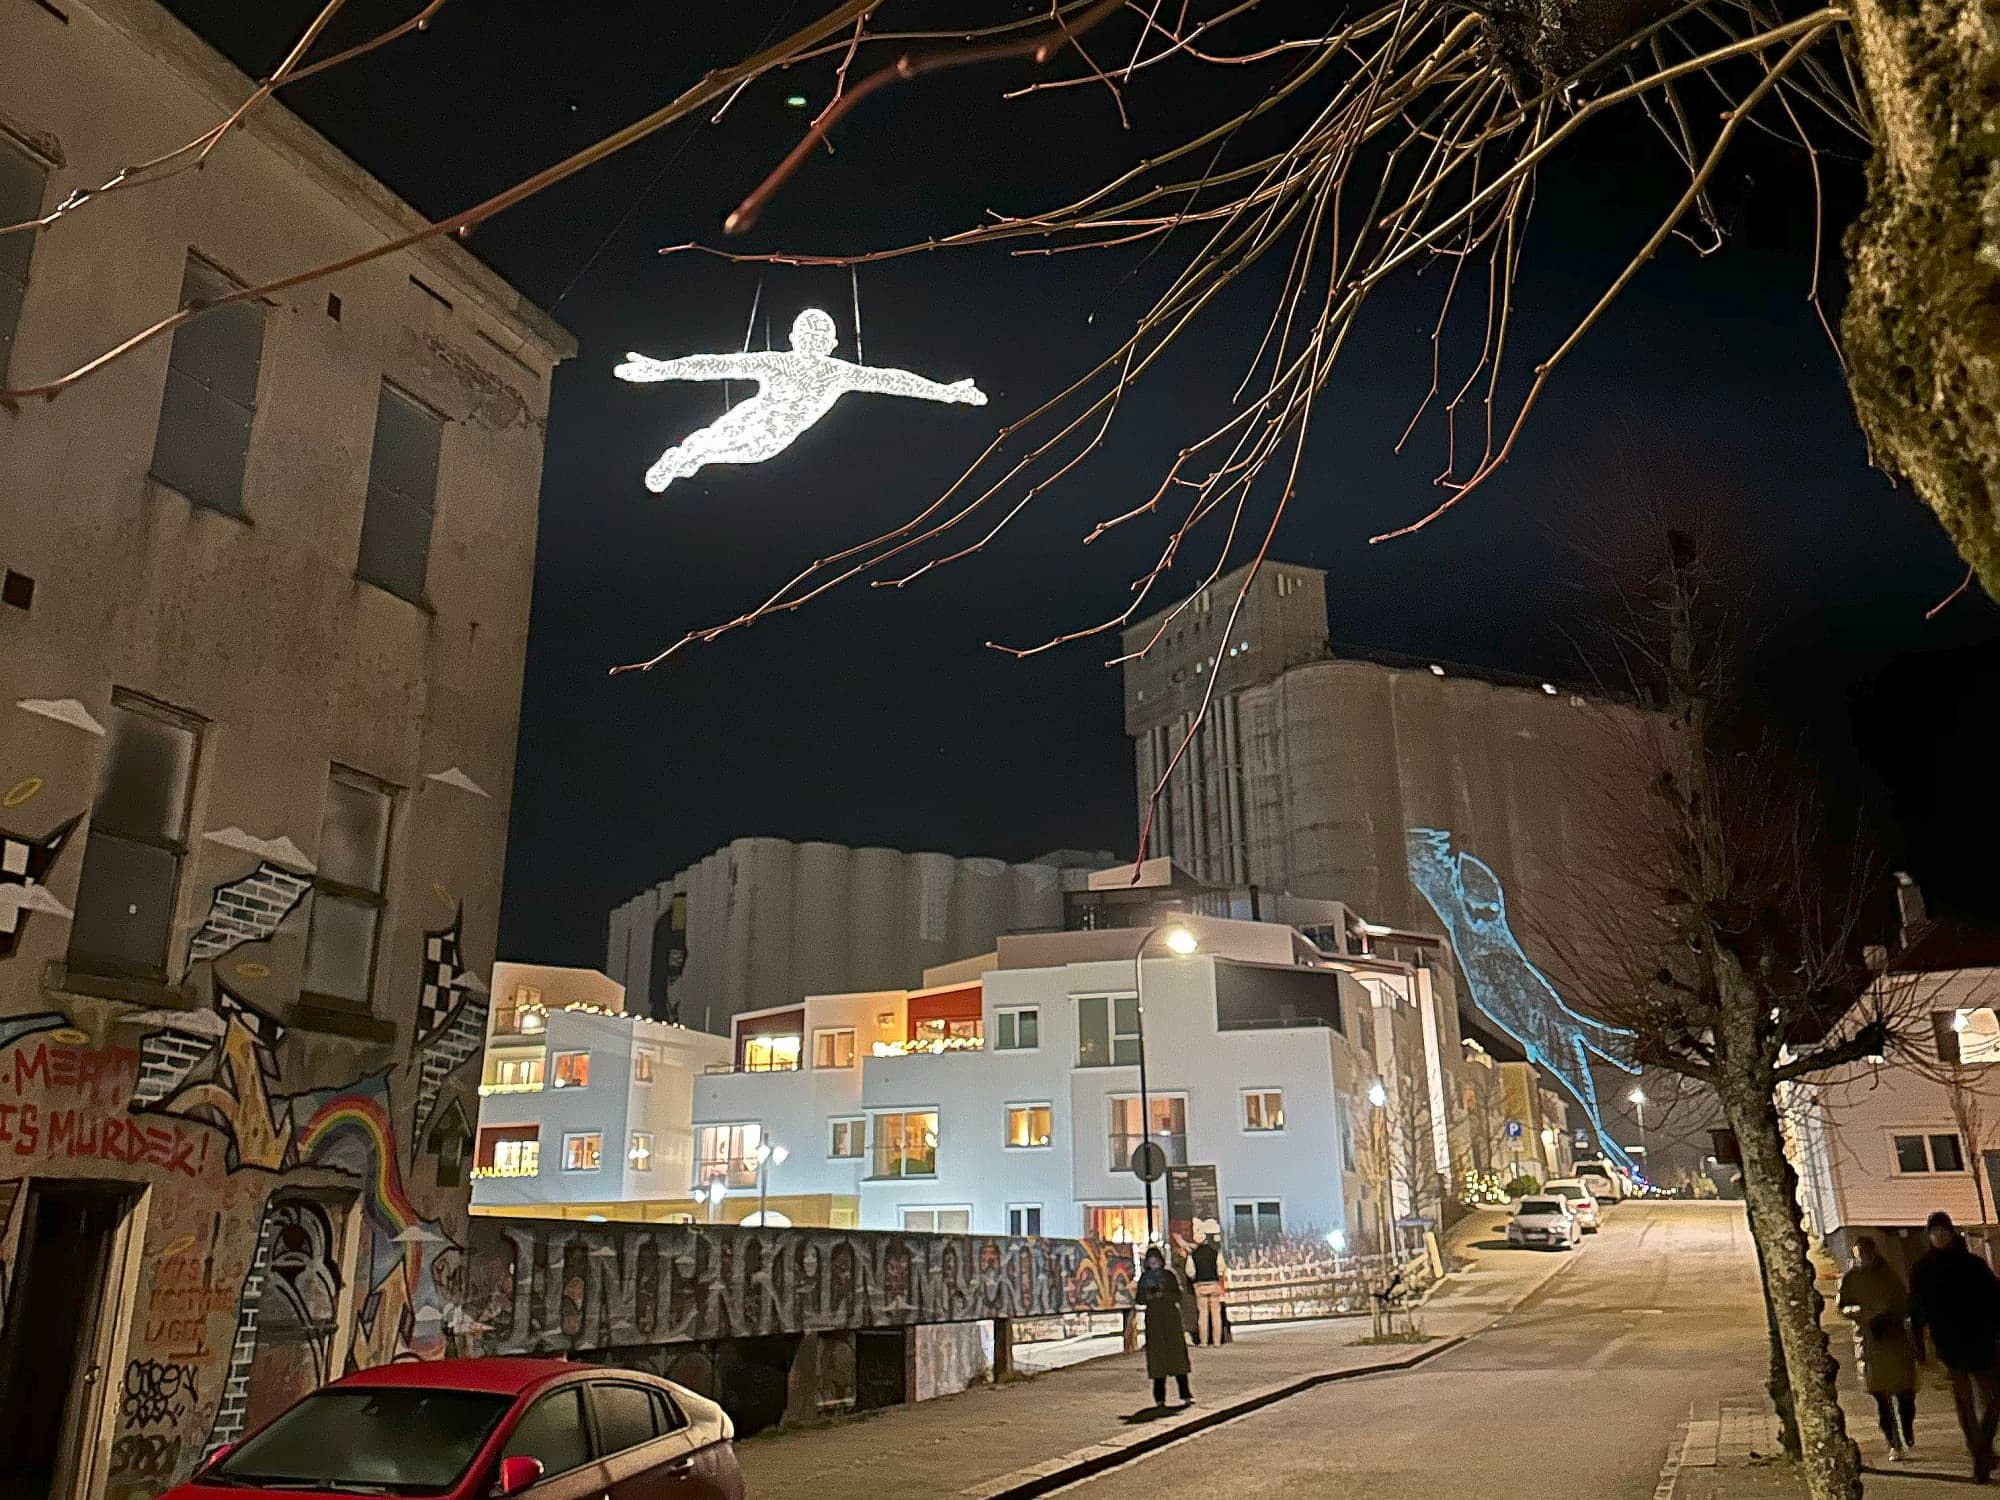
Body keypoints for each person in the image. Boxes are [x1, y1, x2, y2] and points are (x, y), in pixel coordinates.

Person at [614, 309, 986, 491]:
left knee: (730, 445)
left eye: (819, 334)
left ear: (831, 344)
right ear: (793, 338)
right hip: (754, 415)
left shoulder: (838, 372)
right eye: (806, 332)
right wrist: (659, 370)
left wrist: (944, 392)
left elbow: (891, 380)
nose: (812, 339)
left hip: (774, 435)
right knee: (711, 439)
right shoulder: (776, 362)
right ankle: (683, 460)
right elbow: (716, 363)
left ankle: (688, 460)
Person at [1910, 1210, 2000, 1481]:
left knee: (1993, 1398)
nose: (1938, 1237)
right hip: (1950, 1344)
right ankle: (1979, 1454)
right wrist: (1919, 1344)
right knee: (1965, 1402)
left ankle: (1983, 1448)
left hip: (1981, 1341)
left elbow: (1994, 1298)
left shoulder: (1973, 1265)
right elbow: (1916, 1308)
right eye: (1933, 1232)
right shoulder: (1923, 1269)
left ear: (1950, 1233)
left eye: (1942, 1232)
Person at [1837, 1236, 1918, 1460]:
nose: (1863, 1258)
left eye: (1865, 1253)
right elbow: (1842, 1306)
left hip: (1894, 1340)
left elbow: (1903, 1301)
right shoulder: (1851, 1278)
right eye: (1858, 1254)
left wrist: (1891, 1316)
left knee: (1904, 1394)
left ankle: (1907, 1429)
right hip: (1870, 1341)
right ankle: (1893, 1440)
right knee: (1881, 1397)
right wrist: (1860, 1313)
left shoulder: (1888, 1275)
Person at [1136, 1245, 1193, 1407]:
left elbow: (1178, 1295)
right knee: (1158, 1361)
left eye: (1156, 1262)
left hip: (1169, 1319)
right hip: (1154, 1320)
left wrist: (1164, 1294)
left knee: (1177, 1358)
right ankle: (1159, 1398)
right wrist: (1150, 1295)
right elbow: (1139, 1299)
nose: (1154, 1265)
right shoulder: (1145, 1278)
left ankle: (1185, 1393)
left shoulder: (1168, 1276)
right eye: (1151, 1262)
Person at [1186, 1233, 1228, 1346]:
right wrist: (1218, 1276)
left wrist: (1195, 1279)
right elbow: (1221, 1269)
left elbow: (1190, 1272)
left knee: (1202, 1314)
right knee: (1216, 1314)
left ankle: (1203, 1341)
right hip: (1214, 1284)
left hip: (1200, 1286)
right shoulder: (1215, 1252)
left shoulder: (1193, 1255)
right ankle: (1217, 1341)